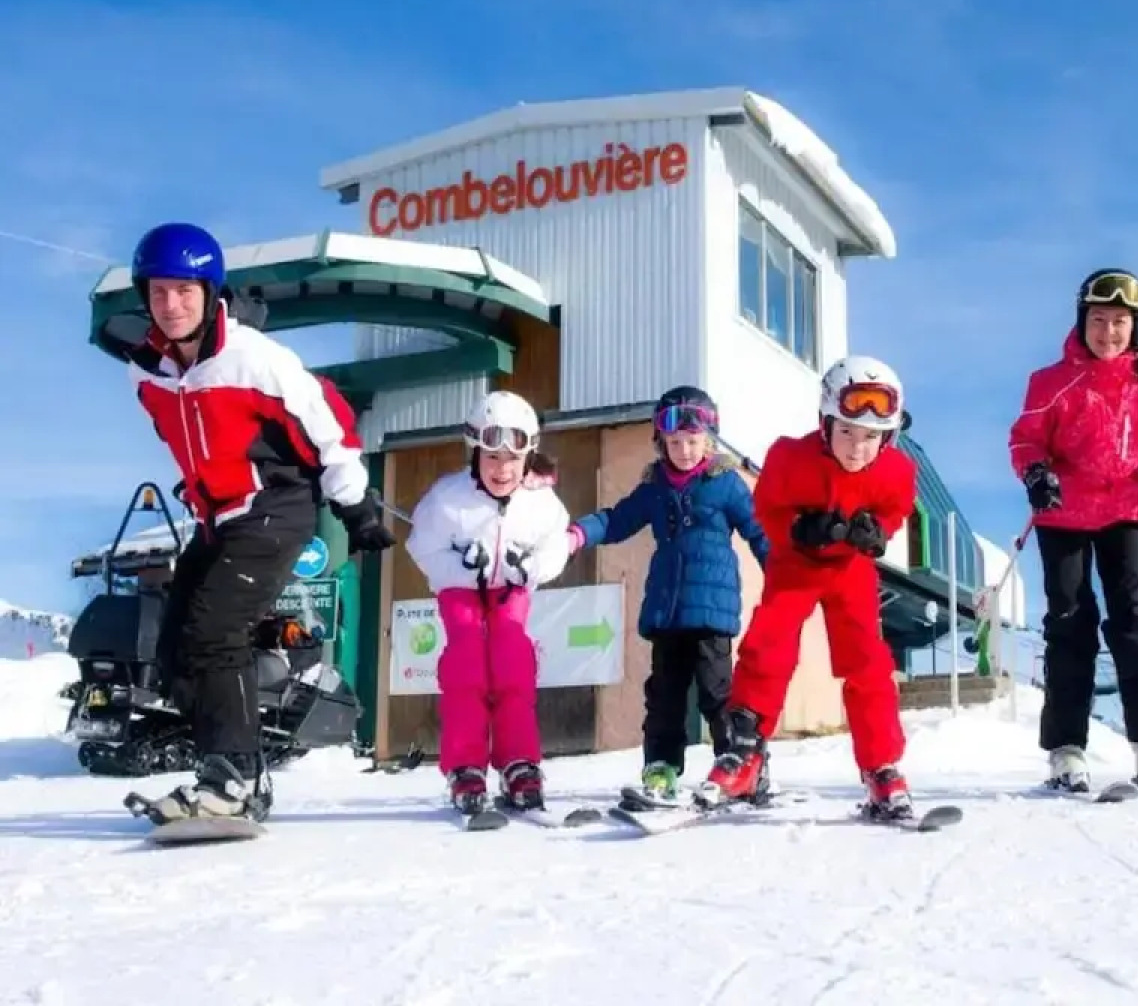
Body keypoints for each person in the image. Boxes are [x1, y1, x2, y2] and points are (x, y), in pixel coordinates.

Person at [125, 222, 395, 824]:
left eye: (185, 292)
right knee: (174, 650)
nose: (171, 306)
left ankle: (234, 781)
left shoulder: (254, 360)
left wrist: (355, 503)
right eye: (160, 292)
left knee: (217, 629)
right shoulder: (146, 376)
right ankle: (229, 768)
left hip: (275, 505)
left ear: (210, 292)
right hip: (218, 518)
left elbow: (327, 421)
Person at [694, 356, 919, 820]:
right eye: (848, 434)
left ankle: (881, 768)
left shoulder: (895, 470)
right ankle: (745, 752)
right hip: (795, 564)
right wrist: (799, 528)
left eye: (871, 438)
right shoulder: (788, 457)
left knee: (867, 659)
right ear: (825, 423)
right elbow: (767, 508)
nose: (858, 449)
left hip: (850, 569)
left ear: (888, 437)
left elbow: (896, 510)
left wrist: (877, 530)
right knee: (768, 644)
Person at [1007, 268, 1138, 794]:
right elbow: (1025, 441)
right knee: (1071, 623)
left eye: (1119, 322)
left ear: (1135, 327)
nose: (1108, 332)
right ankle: (1066, 750)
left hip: (1124, 512)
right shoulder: (1051, 381)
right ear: (1082, 321)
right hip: (1062, 513)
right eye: (1098, 320)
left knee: (1137, 619)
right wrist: (1037, 474)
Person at [568, 386, 769, 804]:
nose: (684, 450)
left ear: (709, 441)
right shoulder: (654, 489)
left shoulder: (726, 484)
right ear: (661, 443)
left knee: (717, 694)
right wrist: (579, 532)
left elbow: (759, 531)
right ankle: (661, 768)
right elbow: (617, 520)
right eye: (675, 443)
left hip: (711, 610)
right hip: (666, 611)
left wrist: (783, 571)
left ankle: (739, 764)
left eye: (693, 442)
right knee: (664, 696)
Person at [404, 390, 573, 814]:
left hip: (510, 591)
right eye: (492, 458)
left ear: (527, 458)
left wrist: (529, 568)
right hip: (462, 592)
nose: (502, 469)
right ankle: (465, 765)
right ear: (475, 454)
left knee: (513, 664)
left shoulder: (542, 503)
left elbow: (556, 548)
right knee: (466, 666)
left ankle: (519, 761)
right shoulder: (448, 498)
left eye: (512, 460)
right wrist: (462, 566)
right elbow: (422, 547)